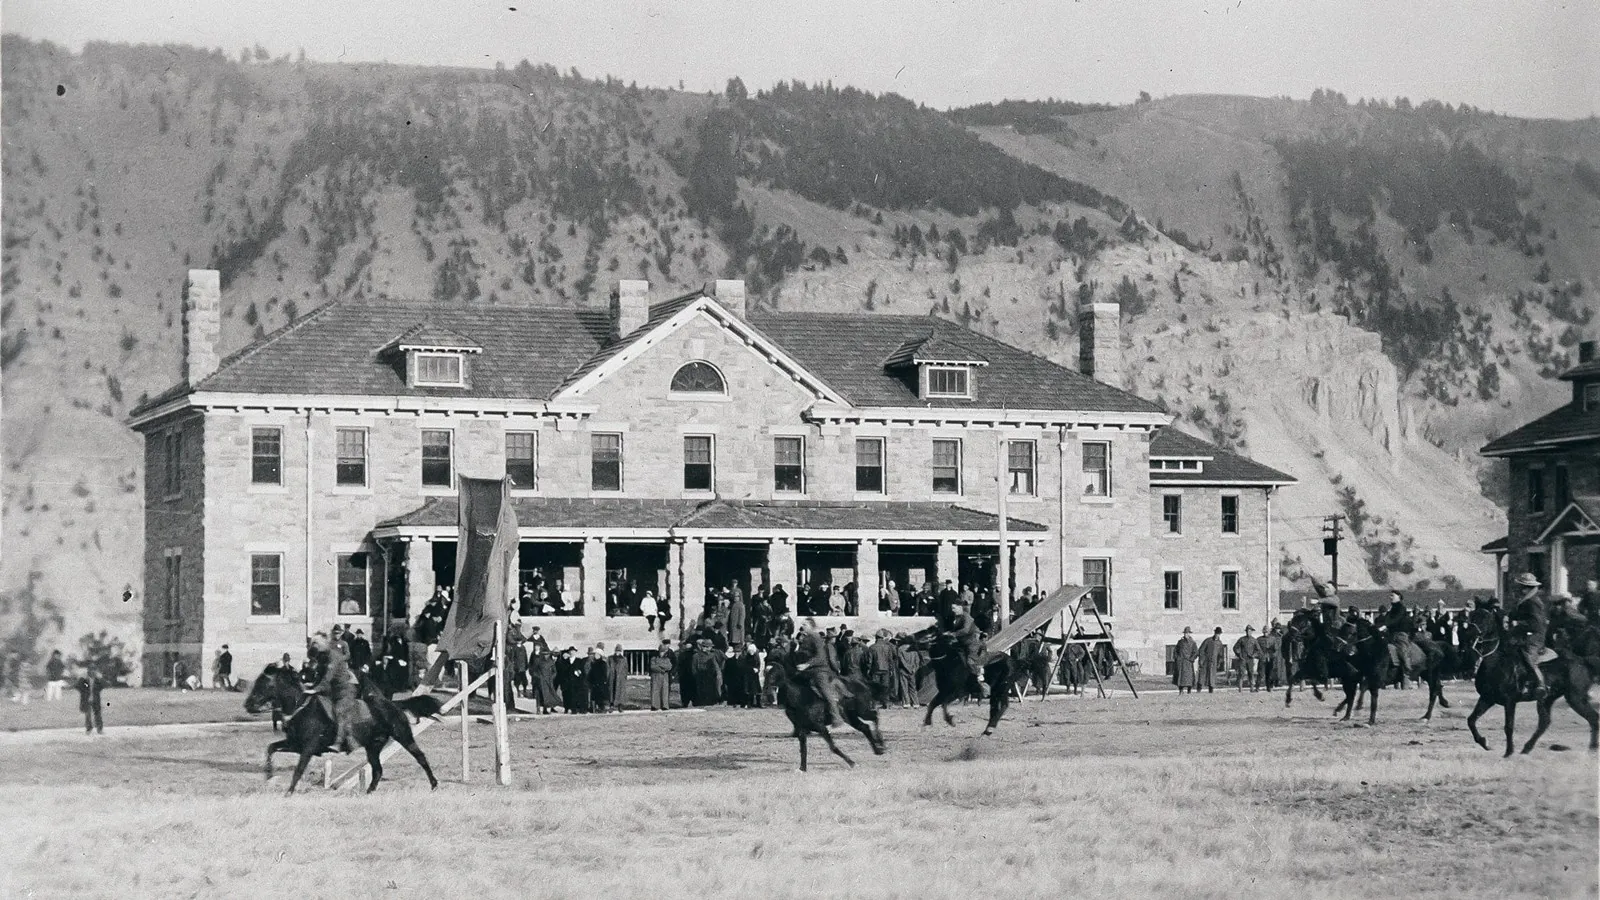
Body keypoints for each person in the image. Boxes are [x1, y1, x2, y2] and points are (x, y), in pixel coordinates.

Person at [305, 633, 367, 752]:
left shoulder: (333, 656)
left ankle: (341, 742)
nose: (315, 648)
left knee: (339, 711)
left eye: (316, 645)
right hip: (332, 691)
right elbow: (320, 675)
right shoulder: (322, 657)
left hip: (345, 689)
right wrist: (312, 685)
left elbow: (328, 676)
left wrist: (316, 689)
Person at [793, 617, 846, 725]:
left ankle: (836, 716)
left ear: (812, 626)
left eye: (805, 625)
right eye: (802, 624)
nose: (802, 626)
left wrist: (807, 665)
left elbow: (820, 656)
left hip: (819, 670)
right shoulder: (805, 638)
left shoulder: (816, 637)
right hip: (807, 670)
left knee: (825, 692)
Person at [1507, 572, 1550, 699]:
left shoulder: (1533, 602)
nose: (1521, 590)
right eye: (1521, 587)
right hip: (1523, 634)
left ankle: (1540, 684)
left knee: (1527, 655)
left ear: (1529, 588)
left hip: (1535, 636)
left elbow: (1535, 624)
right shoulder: (1524, 601)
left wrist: (1518, 623)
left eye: (1523, 587)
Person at [938, 599, 985, 695]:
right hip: (962, 644)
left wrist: (953, 634)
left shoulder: (966, 617)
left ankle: (979, 672)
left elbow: (966, 630)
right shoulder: (956, 617)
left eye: (954, 608)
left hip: (972, 643)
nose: (952, 610)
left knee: (969, 661)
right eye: (952, 608)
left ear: (960, 607)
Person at [76, 664, 104, 735]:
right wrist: (84, 693)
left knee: (98, 714)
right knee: (88, 715)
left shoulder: (98, 679)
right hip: (86, 700)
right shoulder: (84, 679)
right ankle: (89, 729)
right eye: (91, 670)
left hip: (95, 699)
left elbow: (103, 685)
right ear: (88, 671)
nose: (92, 672)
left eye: (94, 670)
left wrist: (96, 692)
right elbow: (77, 686)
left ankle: (99, 729)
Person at [1233, 626, 1261, 692]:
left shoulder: (1254, 640)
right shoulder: (1241, 639)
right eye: (1247, 631)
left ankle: (1252, 688)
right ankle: (1240, 688)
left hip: (1250, 659)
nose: (1249, 632)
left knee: (1251, 673)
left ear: (1252, 632)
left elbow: (1258, 650)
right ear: (1246, 632)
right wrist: (1239, 655)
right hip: (1243, 659)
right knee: (1241, 673)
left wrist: (1253, 655)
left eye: (1250, 631)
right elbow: (1235, 648)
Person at [1198, 627, 1225, 693]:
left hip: (1214, 662)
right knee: (1202, 676)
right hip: (1205, 661)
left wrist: (1219, 663)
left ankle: (1211, 690)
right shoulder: (1208, 640)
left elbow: (1221, 655)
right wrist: (1202, 659)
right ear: (1214, 633)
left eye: (1219, 634)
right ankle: (1199, 689)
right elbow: (1201, 650)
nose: (1217, 635)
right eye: (1216, 633)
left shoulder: (1219, 643)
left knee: (1212, 677)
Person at [648, 642, 674, 710]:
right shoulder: (654, 658)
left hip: (664, 677)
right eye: (662, 652)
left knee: (664, 691)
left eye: (664, 652)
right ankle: (655, 705)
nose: (663, 653)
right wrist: (662, 670)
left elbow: (669, 667)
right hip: (656, 676)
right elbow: (653, 667)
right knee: (655, 690)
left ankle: (664, 705)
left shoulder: (667, 659)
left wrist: (659, 665)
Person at [1173, 627, 1198, 694]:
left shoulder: (1192, 643)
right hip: (1181, 662)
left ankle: (1189, 690)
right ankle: (1181, 690)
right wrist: (1177, 658)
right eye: (1185, 633)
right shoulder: (1180, 642)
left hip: (1188, 662)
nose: (1186, 634)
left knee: (1189, 677)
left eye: (1187, 633)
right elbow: (1175, 651)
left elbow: (1195, 652)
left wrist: (1191, 659)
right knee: (1180, 677)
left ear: (1190, 634)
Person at [609, 644, 628, 711]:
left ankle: (620, 706)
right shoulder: (610, 658)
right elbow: (608, 668)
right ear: (615, 651)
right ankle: (611, 705)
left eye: (619, 651)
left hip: (620, 678)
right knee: (612, 692)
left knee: (620, 692)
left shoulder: (624, 659)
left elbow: (625, 669)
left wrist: (624, 677)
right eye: (617, 651)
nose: (618, 652)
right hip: (612, 677)